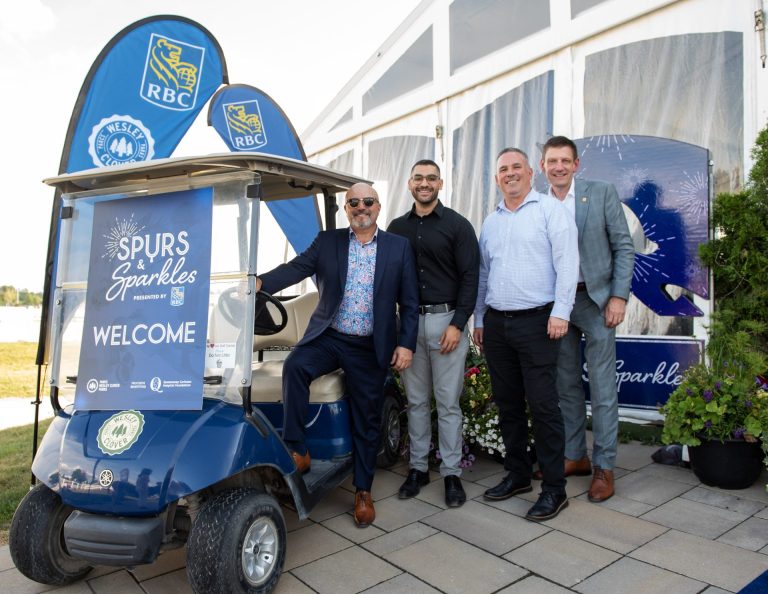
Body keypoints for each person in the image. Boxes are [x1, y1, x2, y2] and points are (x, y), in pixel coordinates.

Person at [256, 183, 419, 527]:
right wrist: (259, 283)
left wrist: (406, 344)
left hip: (370, 345)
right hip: (331, 336)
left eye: (368, 202)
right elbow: (296, 268)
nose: (362, 207)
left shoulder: (397, 248)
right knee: (296, 366)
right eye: (354, 202)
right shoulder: (328, 242)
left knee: (367, 418)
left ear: (378, 206)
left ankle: (363, 490)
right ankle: (298, 449)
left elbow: (409, 301)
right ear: (346, 209)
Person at [473, 147, 578, 522]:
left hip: (539, 322)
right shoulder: (491, 222)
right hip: (498, 325)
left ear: (531, 173)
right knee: (508, 405)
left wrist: (561, 311)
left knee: (544, 407)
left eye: (517, 167)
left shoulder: (550, 211)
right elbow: (484, 274)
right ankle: (518, 476)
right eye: (503, 169)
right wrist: (479, 319)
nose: (510, 173)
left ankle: (554, 490)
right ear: (497, 177)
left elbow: (568, 263)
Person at [538, 136, 634, 502]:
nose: (559, 166)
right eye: (552, 161)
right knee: (565, 387)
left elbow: (624, 246)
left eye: (565, 160)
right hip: (557, 307)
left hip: (596, 302)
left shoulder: (601, 192)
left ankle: (604, 465)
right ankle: (575, 455)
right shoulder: (539, 204)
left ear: (576, 164)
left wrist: (618, 296)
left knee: (603, 388)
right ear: (543, 166)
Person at [387, 159, 479, 507]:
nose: (424, 183)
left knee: (448, 403)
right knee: (416, 401)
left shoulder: (458, 226)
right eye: (418, 178)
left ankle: (452, 473)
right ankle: (418, 468)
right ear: (409, 184)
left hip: (446, 324)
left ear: (440, 183)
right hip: (409, 326)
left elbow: (471, 277)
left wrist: (458, 323)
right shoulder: (396, 228)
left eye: (430, 178)